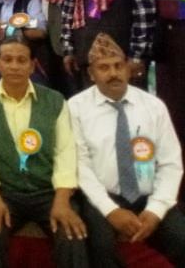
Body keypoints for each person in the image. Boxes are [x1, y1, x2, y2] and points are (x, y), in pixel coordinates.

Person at [0, 38, 88, 268]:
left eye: (21, 60)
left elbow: (65, 152)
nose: (14, 66)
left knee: (71, 234)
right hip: (5, 193)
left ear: (32, 66)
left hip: (49, 192)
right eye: (8, 60)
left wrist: (62, 200)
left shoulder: (55, 101)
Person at [70, 33, 185, 267]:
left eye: (118, 66)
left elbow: (171, 163)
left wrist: (156, 210)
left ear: (128, 68)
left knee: (181, 239)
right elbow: (80, 165)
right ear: (91, 74)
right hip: (102, 197)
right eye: (104, 68)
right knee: (100, 248)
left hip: (149, 194)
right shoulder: (76, 108)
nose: (113, 73)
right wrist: (110, 210)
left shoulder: (154, 106)